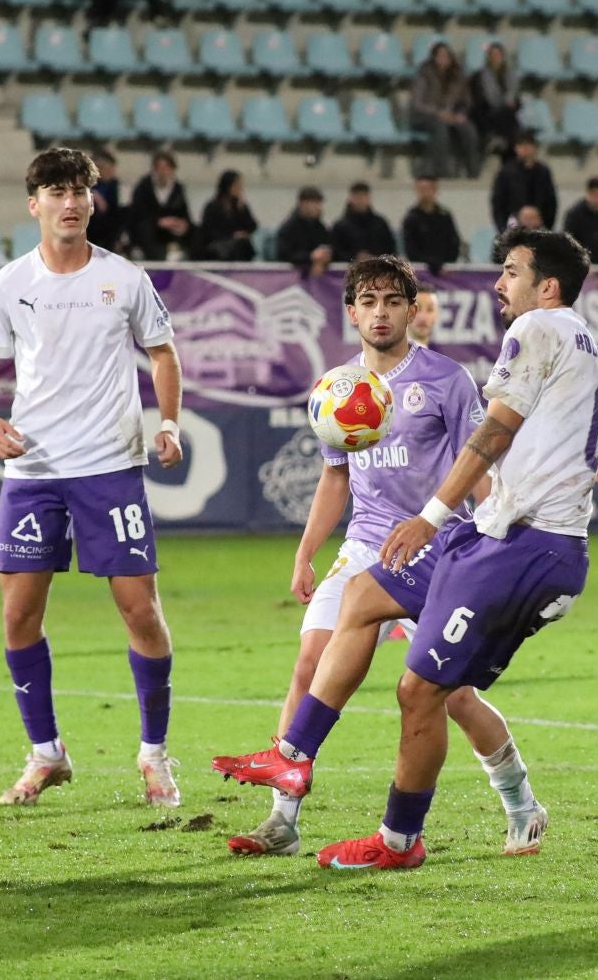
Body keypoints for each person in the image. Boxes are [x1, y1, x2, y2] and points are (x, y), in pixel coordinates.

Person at [295, 227, 598, 870]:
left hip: (524, 546)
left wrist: (431, 517)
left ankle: (400, 841)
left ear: (546, 287)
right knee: (360, 600)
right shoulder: (585, 344)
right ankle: (290, 763)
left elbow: (493, 432)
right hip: (493, 536)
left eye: (511, 272)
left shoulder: (535, 331)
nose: (499, 283)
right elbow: (597, 421)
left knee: (427, 692)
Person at [213, 256, 546, 858]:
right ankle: (283, 819)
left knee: (454, 696)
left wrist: (494, 535)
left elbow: (477, 467)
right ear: (352, 312)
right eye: (369, 301)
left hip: (439, 545)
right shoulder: (338, 389)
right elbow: (334, 477)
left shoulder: (445, 380)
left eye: (393, 301)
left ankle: (521, 803)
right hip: (367, 544)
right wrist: (306, 552)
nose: (381, 312)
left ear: (412, 310)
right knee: (310, 658)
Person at [0, 148, 186, 810]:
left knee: (140, 610)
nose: (71, 202)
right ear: (34, 204)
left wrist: (168, 424)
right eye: (57, 191)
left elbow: (163, 352)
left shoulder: (123, 278)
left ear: (93, 201)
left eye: (81, 191)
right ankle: (46, 754)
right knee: (18, 614)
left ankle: (153, 755)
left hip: (111, 468)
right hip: (33, 472)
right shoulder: (9, 284)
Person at [410, 41, 481, 180]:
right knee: (440, 127)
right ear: (434, 57)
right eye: (440, 55)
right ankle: (442, 173)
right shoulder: (424, 74)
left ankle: (473, 172)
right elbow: (417, 103)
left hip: (451, 115)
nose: (443, 59)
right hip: (425, 116)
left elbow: (466, 101)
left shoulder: (458, 75)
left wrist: (461, 113)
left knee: (469, 129)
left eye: (446, 55)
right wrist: (438, 112)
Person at [125, 150, 195, 261]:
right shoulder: (144, 187)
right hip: (149, 230)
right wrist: (158, 222)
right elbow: (137, 214)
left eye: (166, 168)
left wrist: (182, 223)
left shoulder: (177, 189)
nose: (162, 172)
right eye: (159, 168)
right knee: (146, 230)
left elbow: (184, 213)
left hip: (170, 231)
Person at [489, 133, 556, 232]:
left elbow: (551, 201)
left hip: (539, 229)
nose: (525, 149)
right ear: (516, 148)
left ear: (535, 147)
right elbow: (498, 202)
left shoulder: (543, 172)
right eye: (521, 145)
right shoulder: (506, 172)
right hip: (513, 227)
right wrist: (503, 229)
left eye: (528, 145)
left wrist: (546, 226)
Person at [399, 176, 460, 275]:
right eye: (421, 189)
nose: (425, 193)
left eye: (428, 189)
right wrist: (432, 263)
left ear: (435, 190)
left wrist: (447, 263)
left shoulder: (445, 216)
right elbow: (411, 250)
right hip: (421, 271)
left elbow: (454, 242)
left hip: (446, 269)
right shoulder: (411, 218)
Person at [471, 41, 521, 156]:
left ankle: (502, 142)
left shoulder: (510, 75)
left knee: (512, 122)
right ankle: (498, 140)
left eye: (498, 54)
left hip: (506, 114)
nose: (495, 57)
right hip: (487, 113)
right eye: (492, 54)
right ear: (488, 57)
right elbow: (481, 101)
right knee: (511, 123)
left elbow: (517, 99)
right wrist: (504, 104)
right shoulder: (479, 76)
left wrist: (514, 103)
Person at [197, 169, 257, 261]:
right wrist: (232, 236)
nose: (240, 188)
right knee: (238, 245)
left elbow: (252, 226)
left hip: (236, 245)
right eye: (237, 185)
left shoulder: (238, 205)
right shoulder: (212, 206)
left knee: (243, 244)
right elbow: (208, 231)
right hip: (217, 246)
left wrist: (243, 209)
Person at [330, 181, 397, 262]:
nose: (360, 200)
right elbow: (335, 253)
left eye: (364, 196)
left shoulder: (380, 224)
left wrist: (376, 258)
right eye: (357, 196)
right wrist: (355, 258)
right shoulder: (340, 226)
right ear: (350, 198)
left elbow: (391, 250)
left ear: (369, 198)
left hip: (378, 271)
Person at [275, 186, 334, 277]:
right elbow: (284, 254)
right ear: (303, 203)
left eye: (319, 203)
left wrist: (322, 260)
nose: (319, 207)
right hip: (291, 278)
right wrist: (310, 257)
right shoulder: (288, 228)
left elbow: (327, 247)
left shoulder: (320, 228)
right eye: (315, 203)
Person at [88, 150, 127, 254]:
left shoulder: (114, 184)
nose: (112, 172)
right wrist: (95, 196)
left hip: (109, 226)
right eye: (109, 169)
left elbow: (115, 209)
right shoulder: (87, 185)